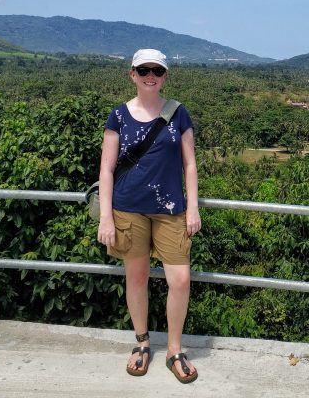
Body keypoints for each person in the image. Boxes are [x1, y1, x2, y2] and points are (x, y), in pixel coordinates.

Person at [96, 48, 201, 383]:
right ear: (132, 75)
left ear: (165, 75)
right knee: (137, 278)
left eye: (157, 70)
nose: (150, 76)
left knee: (180, 280)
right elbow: (107, 168)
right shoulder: (118, 115)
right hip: (128, 208)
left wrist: (193, 206)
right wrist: (106, 218)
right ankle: (141, 343)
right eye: (144, 71)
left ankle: (174, 349)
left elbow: (190, 164)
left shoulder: (178, 114)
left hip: (171, 210)